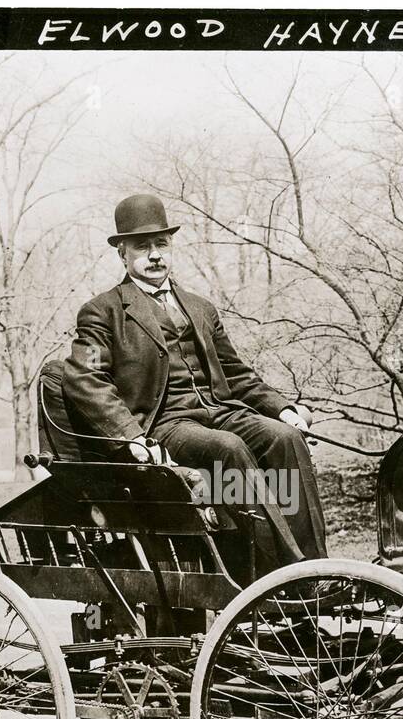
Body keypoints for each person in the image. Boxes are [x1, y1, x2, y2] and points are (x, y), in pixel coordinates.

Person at [63, 193, 327, 569]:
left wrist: (283, 410)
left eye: (162, 244)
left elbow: (236, 374)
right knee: (228, 448)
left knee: (285, 438)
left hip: (220, 410)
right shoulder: (102, 312)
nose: (155, 255)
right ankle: (286, 574)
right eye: (142, 246)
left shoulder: (200, 307)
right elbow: (84, 377)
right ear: (122, 253)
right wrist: (132, 437)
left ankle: (318, 568)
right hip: (165, 425)